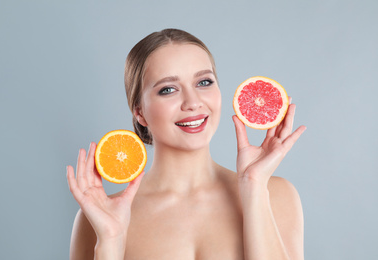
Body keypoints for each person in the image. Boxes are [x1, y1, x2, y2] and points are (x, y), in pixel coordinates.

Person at [67, 28, 306, 260]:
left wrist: (254, 189)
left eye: (204, 82)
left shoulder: (276, 196)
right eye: (168, 89)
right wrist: (110, 240)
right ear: (139, 111)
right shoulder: (100, 216)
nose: (193, 102)